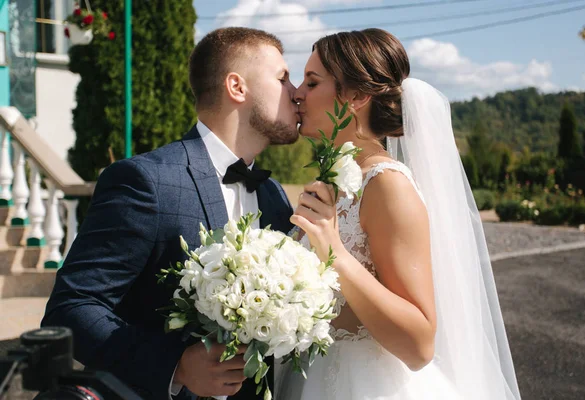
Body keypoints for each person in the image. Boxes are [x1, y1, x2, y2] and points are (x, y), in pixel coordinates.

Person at [42, 27, 298, 400]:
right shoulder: (145, 181)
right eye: (282, 78)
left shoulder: (273, 194)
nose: (296, 93)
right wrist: (176, 365)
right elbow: (71, 308)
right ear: (237, 87)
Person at [278, 28, 521, 400]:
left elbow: (419, 345)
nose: (297, 93)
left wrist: (335, 254)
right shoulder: (336, 180)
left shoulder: (387, 185)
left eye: (312, 82)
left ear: (356, 96)